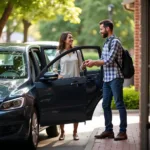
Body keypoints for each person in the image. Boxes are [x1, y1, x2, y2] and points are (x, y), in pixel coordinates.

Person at [84, 19, 127, 141]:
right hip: (107, 78)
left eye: (101, 29)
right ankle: (109, 130)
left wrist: (95, 62)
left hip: (115, 77)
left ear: (108, 29)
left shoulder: (115, 42)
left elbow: (109, 60)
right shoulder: (106, 42)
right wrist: (90, 62)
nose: (100, 31)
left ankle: (123, 132)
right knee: (105, 104)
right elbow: (102, 60)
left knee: (119, 104)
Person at [53, 31, 86, 141]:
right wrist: (58, 75)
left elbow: (81, 67)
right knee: (63, 109)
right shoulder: (59, 52)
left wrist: (85, 66)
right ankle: (62, 132)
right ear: (64, 40)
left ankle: (75, 132)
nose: (72, 39)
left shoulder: (77, 51)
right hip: (64, 84)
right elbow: (53, 68)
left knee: (75, 108)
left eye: (72, 37)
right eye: (69, 37)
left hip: (76, 83)